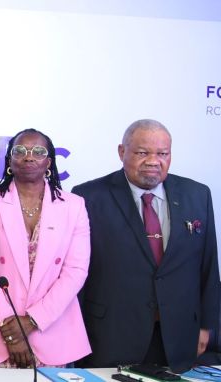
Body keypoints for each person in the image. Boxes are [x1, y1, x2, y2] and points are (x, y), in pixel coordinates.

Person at [73, 119, 219, 372]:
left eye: (162, 153)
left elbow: (208, 266)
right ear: (122, 152)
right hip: (110, 335)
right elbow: (77, 272)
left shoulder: (197, 194)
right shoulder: (88, 196)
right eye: (142, 153)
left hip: (179, 336)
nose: (153, 161)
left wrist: (207, 326)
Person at [0, 129, 91, 368]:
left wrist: (33, 320)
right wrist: (11, 329)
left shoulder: (74, 206)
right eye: (20, 151)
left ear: (49, 161)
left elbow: (75, 270)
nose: (28, 157)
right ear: (9, 161)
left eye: (38, 151)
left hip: (52, 331)